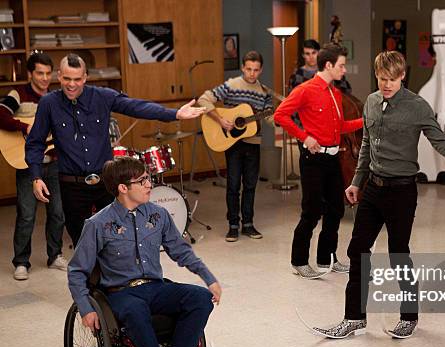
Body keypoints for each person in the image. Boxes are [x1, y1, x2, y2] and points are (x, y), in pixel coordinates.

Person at [312, 51, 445, 339]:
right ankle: (354, 318)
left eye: (392, 79)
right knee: (357, 251)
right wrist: (356, 181)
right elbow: (366, 145)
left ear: (402, 76)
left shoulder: (417, 107)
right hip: (372, 190)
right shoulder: (370, 102)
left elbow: (438, 139)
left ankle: (408, 316)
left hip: (402, 191)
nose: (386, 84)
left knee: (398, 255)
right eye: (381, 79)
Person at [68, 156, 222, 347]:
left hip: (155, 287)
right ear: (123, 188)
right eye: (142, 181)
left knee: (201, 298)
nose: (150, 184)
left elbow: (180, 251)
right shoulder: (98, 224)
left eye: (148, 178)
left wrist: (209, 279)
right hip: (121, 293)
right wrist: (86, 308)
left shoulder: (158, 215)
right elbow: (77, 270)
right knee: (134, 311)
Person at [25, 53, 205, 246]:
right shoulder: (49, 103)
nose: (72, 84)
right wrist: (36, 176)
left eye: (77, 79)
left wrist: (175, 113)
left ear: (85, 77)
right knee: (82, 243)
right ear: (59, 76)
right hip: (72, 185)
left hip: (106, 182)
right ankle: (90, 276)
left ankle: (115, 275)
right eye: (67, 78)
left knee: (116, 239)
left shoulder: (102, 96)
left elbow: (137, 106)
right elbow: (35, 142)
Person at [274, 43, 363, 279]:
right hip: (312, 159)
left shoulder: (335, 93)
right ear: (328, 65)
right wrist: (305, 137)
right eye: (341, 66)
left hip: (333, 158)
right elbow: (280, 115)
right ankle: (299, 261)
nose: (344, 70)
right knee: (312, 211)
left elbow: (341, 126)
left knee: (335, 209)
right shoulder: (305, 90)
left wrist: (366, 121)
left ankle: (328, 258)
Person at [0, 51, 67, 280]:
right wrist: (25, 127)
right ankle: (21, 261)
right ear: (30, 73)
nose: (45, 78)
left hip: (54, 163)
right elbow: (0, 114)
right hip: (27, 164)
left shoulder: (58, 98)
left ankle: (55, 254)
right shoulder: (18, 94)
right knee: (26, 214)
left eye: (49, 73)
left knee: (58, 212)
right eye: (40, 73)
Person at [198, 50, 272, 242]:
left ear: (261, 70)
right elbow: (203, 99)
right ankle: (233, 225)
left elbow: (270, 116)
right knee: (233, 185)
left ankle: (248, 224)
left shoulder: (264, 92)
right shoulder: (231, 85)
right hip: (232, 143)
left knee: (250, 184)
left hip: (253, 142)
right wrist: (221, 120)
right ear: (242, 68)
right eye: (248, 69)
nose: (252, 74)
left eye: (256, 70)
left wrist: (280, 116)